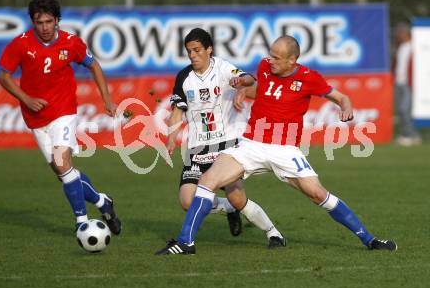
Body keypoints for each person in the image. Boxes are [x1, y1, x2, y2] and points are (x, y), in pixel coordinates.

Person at [156, 35, 397, 255]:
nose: (269, 60)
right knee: (207, 182)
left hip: (285, 150)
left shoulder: (308, 78)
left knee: (318, 194)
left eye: (276, 57)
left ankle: (370, 240)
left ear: (292, 60)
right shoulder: (265, 67)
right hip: (251, 144)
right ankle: (185, 242)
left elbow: (341, 97)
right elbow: (265, 89)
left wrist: (347, 108)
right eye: (270, 54)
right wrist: (245, 91)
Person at [0, 0, 121, 234]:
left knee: (62, 164)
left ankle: (82, 224)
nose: (44, 27)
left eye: (48, 21)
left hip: (63, 111)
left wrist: (107, 99)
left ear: (57, 20)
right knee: (63, 173)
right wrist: (26, 99)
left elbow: (94, 65)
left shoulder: (71, 43)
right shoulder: (21, 44)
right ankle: (102, 202)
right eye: (39, 22)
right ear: (33, 22)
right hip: (34, 117)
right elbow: (4, 76)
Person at [165, 28, 285, 249]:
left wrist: (243, 83)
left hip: (226, 146)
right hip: (197, 148)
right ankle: (228, 209)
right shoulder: (184, 77)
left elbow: (247, 78)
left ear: (209, 49)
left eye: (197, 50)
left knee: (238, 198)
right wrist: (171, 138)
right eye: (189, 51)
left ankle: (273, 233)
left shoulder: (222, 68)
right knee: (186, 201)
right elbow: (177, 110)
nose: (192, 55)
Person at [393, 22, 421, 146]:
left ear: (406, 33)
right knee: (400, 110)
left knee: (405, 109)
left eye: (400, 33)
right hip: (399, 83)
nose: (398, 36)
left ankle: (409, 135)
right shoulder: (400, 47)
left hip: (409, 83)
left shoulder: (414, 46)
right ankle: (410, 135)